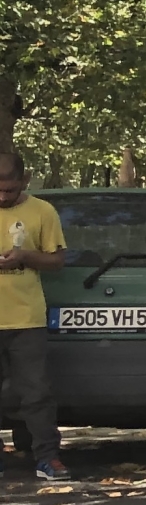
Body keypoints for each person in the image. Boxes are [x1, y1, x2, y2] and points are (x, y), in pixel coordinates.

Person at [0, 149, 72, 481]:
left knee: (36, 393)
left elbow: (56, 261)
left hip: (26, 319)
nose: (2, 196)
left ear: (25, 180)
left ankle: (47, 458)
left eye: (9, 190)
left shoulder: (42, 211)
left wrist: (25, 256)